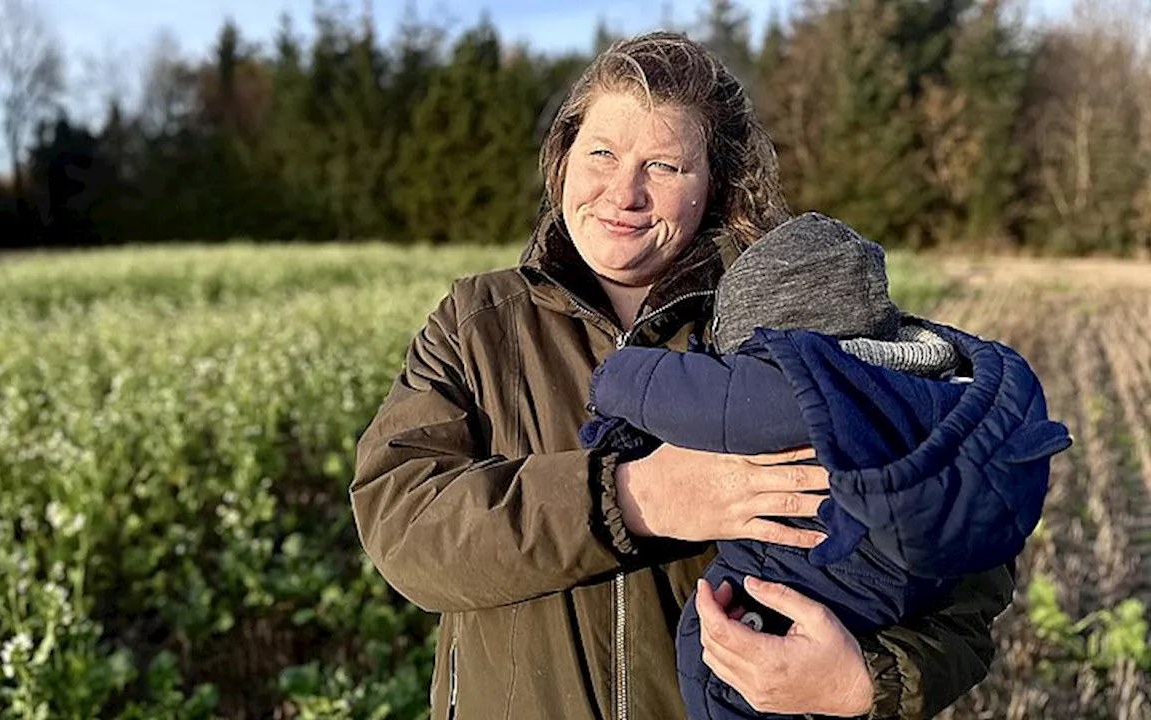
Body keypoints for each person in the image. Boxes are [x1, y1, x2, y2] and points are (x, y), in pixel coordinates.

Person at [351, 31, 1017, 720]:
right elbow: (402, 526)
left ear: (719, 186)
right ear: (563, 162)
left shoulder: (798, 320)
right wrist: (634, 497)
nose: (623, 193)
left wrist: (863, 683)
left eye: (665, 166)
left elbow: (966, 572)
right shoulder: (477, 322)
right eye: (601, 153)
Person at [580, 211, 1071, 719]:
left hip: (797, 579)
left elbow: (701, 399)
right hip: (890, 596)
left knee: (710, 658)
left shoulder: (807, 391)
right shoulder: (934, 390)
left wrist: (616, 377)